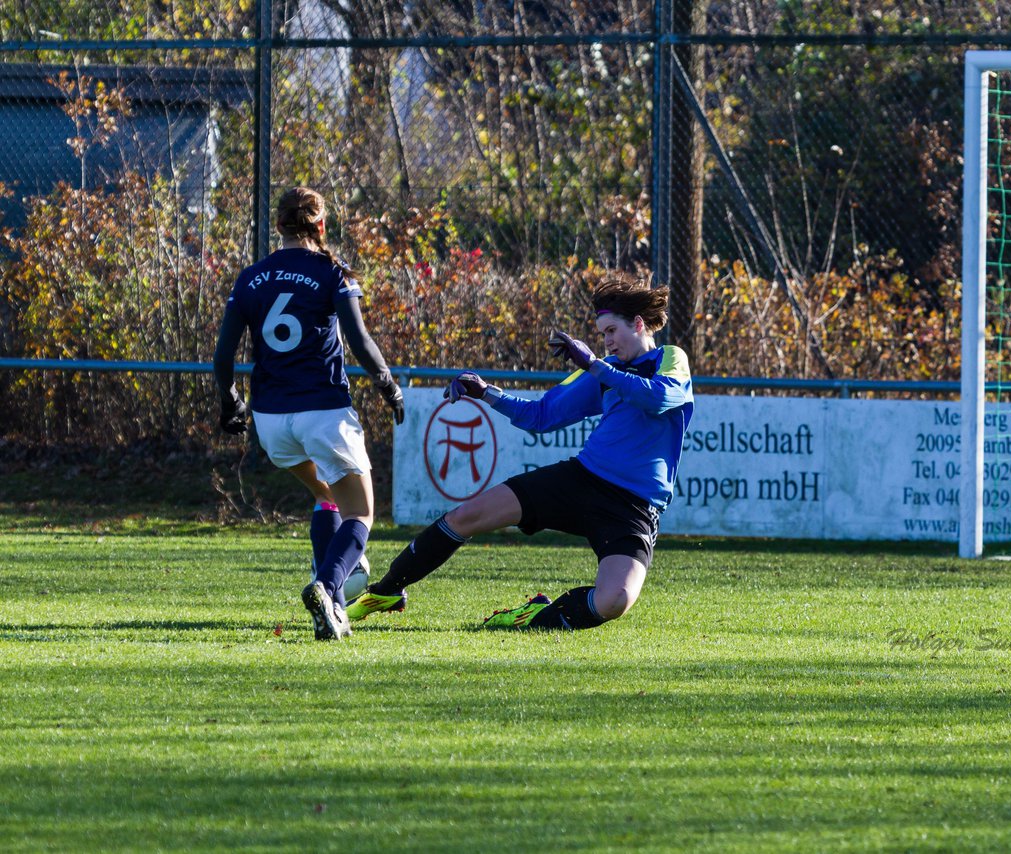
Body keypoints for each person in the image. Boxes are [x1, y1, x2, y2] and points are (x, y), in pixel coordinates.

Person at [347, 274, 694, 631]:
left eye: (611, 331)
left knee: (614, 600)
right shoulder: (606, 371)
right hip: (582, 480)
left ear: (638, 324)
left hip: (633, 506)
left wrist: (594, 365)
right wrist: (485, 392)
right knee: (467, 515)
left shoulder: (670, 359)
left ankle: (534, 615)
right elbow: (539, 416)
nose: (606, 342)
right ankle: (386, 591)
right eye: (601, 334)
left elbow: (657, 398)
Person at [212, 186, 405, 641]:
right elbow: (359, 341)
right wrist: (389, 387)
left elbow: (223, 355)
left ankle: (332, 604)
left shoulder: (251, 277)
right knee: (361, 513)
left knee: (327, 494)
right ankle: (328, 585)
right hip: (322, 410)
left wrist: (230, 401)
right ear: (320, 226)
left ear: (278, 226)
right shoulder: (331, 272)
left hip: (272, 420)